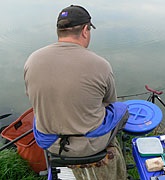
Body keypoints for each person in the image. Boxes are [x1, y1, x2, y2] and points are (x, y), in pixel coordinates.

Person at [24, 5, 129, 180]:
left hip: (49, 142)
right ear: (86, 30)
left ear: (59, 30)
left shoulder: (32, 60)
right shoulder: (100, 65)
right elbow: (110, 102)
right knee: (121, 109)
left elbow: (32, 97)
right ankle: (113, 153)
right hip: (89, 145)